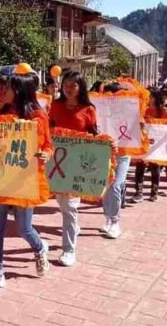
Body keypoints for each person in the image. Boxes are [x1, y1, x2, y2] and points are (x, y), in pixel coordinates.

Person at [0, 73, 52, 292]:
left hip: (24, 179)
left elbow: (48, 144)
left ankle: (39, 249)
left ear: (19, 91)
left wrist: (46, 155)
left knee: (24, 228)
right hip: (0, 177)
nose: (3, 92)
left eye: (8, 88)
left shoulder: (38, 115)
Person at [47, 71, 97, 267]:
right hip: (57, 162)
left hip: (76, 164)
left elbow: (94, 134)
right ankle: (74, 226)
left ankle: (68, 250)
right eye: (66, 85)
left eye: (73, 85)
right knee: (62, 203)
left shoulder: (88, 109)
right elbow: (48, 128)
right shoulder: (56, 106)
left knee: (69, 207)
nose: (69, 89)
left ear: (81, 87)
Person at [99, 82, 135, 239]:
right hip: (104, 153)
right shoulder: (100, 113)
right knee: (105, 187)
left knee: (115, 185)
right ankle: (108, 217)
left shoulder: (131, 111)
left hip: (123, 153)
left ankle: (115, 221)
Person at [132, 90, 167, 203]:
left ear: (156, 98)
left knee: (155, 168)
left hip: (156, 145)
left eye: (150, 96)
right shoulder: (143, 110)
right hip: (143, 143)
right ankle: (138, 193)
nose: (148, 99)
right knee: (139, 167)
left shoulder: (164, 111)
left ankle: (154, 193)